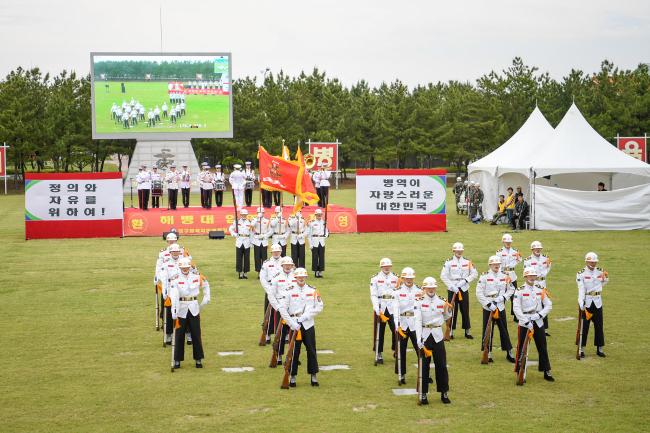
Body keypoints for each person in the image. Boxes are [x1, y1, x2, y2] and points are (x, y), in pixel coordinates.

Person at [279, 267, 324, 387]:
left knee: (311, 350)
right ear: (295, 278)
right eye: (299, 277)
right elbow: (283, 310)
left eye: (303, 277)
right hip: (294, 325)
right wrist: (291, 323)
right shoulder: (288, 291)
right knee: (294, 352)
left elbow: (319, 306)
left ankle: (313, 376)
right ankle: (292, 376)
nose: (301, 279)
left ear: (306, 277)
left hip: (308, 324)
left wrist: (306, 316)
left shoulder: (313, 290)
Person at [513, 267, 554, 382]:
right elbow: (516, 308)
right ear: (525, 277)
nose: (532, 278)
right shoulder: (519, 290)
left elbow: (548, 305)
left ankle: (547, 370)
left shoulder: (541, 289)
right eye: (529, 276)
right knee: (522, 348)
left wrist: (539, 315)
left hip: (538, 321)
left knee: (542, 347)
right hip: (525, 322)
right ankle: (520, 372)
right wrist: (525, 321)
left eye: (533, 276)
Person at [414, 277, 452, 404]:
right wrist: (418, 338)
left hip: (437, 335)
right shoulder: (418, 301)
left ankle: (444, 392)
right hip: (425, 335)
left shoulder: (442, 301)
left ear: (435, 288)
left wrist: (448, 309)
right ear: (424, 288)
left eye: (433, 287)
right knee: (424, 366)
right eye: (428, 287)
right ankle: (423, 394)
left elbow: (447, 316)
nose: (431, 289)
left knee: (441, 365)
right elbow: (418, 321)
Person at [170, 257, 211, 369]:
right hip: (181, 308)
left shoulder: (197, 276)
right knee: (179, 335)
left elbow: (206, 285)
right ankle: (177, 359)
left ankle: (198, 359)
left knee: (196, 334)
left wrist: (206, 297)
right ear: (180, 267)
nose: (185, 269)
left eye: (187, 267)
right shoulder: (175, 278)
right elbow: (173, 294)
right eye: (183, 267)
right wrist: (173, 309)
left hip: (194, 307)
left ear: (189, 267)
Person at [475, 256, 515, 363]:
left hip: (500, 306)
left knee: (504, 330)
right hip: (488, 307)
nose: (496, 265)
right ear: (490, 265)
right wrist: (488, 303)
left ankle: (509, 352)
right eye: (494, 264)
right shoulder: (484, 276)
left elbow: (511, 289)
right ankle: (488, 353)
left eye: (498, 264)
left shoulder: (505, 276)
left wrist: (503, 298)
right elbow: (479, 293)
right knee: (487, 330)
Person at [440, 242, 478, 339]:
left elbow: (474, 274)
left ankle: (467, 331)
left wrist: (465, 280)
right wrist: (452, 286)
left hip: (463, 288)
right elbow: (443, 276)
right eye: (457, 250)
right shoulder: (448, 262)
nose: (459, 252)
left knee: (465, 309)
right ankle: (451, 332)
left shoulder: (467, 261)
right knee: (452, 310)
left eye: (461, 250)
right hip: (452, 288)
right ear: (453, 251)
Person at [392, 267, 421, 384]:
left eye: (411, 278)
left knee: (420, 349)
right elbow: (395, 310)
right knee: (401, 351)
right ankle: (401, 374)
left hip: (415, 323)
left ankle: (424, 372)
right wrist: (396, 326)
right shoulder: (397, 292)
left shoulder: (419, 290)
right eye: (406, 278)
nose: (409, 280)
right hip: (402, 324)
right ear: (402, 278)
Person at [577, 252, 608, 358]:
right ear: (586, 261)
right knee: (584, 327)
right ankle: (581, 349)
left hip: (598, 302)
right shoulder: (581, 273)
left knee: (599, 326)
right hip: (587, 302)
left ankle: (600, 348)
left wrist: (605, 278)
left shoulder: (600, 271)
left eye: (595, 262)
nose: (593, 263)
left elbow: (604, 283)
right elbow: (581, 289)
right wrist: (581, 302)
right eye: (591, 262)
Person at [369, 257, 399, 365]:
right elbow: (373, 294)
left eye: (388, 266)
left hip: (392, 307)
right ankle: (379, 353)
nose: (386, 268)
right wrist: (376, 308)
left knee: (396, 329)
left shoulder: (396, 278)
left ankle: (396, 349)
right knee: (379, 331)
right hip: (381, 307)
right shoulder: (375, 278)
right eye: (384, 266)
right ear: (381, 267)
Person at [269, 256, 296, 365]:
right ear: (282, 266)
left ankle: (293, 356)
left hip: (294, 307)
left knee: (293, 332)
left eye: (290, 265)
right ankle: (278, 356)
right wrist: (278, 307)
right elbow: (271, 295)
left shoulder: (296, 276)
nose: (288, 267)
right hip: (281, 307)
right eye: (286, 265)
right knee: (280, 333)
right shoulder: (276, 277)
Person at [524, 241, 552, 336]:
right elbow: (526, 272)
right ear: (532, 249)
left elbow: (548, 267)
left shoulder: (545, 258)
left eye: (539, 248)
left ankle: (545, 328)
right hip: (533, 283)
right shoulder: (527, 260)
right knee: (534, 302)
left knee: (544, 303)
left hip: (543, 283)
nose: (538, 250)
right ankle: (532, 324)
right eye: (536, 248)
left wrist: (545, 273)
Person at [259, 244, 284, 344]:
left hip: (282, 290)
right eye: (274, 251)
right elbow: (262, 278)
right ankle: (267, 334)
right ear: (271, 252)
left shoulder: (286, 261)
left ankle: (284, 334)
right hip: (270, 289)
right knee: (268, 313)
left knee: (282, 311)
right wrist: (268, 290)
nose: (276, 253)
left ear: (281, 252)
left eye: (278, 251)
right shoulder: (266, 263)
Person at [497, 233, 522, 322]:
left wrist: (513, 264)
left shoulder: (515, 251)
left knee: (515, 296)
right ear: (503, 242)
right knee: (501, 295)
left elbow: (520, 259)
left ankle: (516, 316)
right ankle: (499, 315)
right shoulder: (499, 252)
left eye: (509, 242)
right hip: (503, 274)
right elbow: (497, 263)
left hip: (512, 275)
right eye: (506, 242)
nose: (508, 243)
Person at [229, 208, 252, 279]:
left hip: (247, 241)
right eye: (242, 214)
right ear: (240, 215)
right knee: (239, 257)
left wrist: (251, 242)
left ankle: (245, 272)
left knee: (246, 258)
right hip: (239, 241)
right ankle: (240, 272)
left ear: (247, 215)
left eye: (245, 215)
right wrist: (234, 234)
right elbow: (230, 228)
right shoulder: (237, 221)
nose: (244, 216)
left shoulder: (250, 222)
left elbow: (252, 233)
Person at [307, 208, 328, 278]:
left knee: (321, 257)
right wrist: (310, 244)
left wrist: (326, 235)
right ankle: (316, 271)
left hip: (321, 241)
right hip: (314, 241)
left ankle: (320, 271)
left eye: (320, 215)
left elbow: (326, 230)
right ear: (315, 215)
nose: (319, 216)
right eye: (318, 215)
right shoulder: (312, 222)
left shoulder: (324, 222)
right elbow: (309, 235)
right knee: (315, 257)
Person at [250, 207, 272, 273]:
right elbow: (251, 225)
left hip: (264, 240)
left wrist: (265, 235)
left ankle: (264, 271)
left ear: (264, 213)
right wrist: (257, 218)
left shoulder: (267, 221)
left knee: (264, 257)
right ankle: (258, 272)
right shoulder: (254, 220)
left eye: (262, 212)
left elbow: (270, 231)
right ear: (257, 213)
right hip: (256, 240)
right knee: (257, 257)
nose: (261, 214)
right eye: (259, 212)